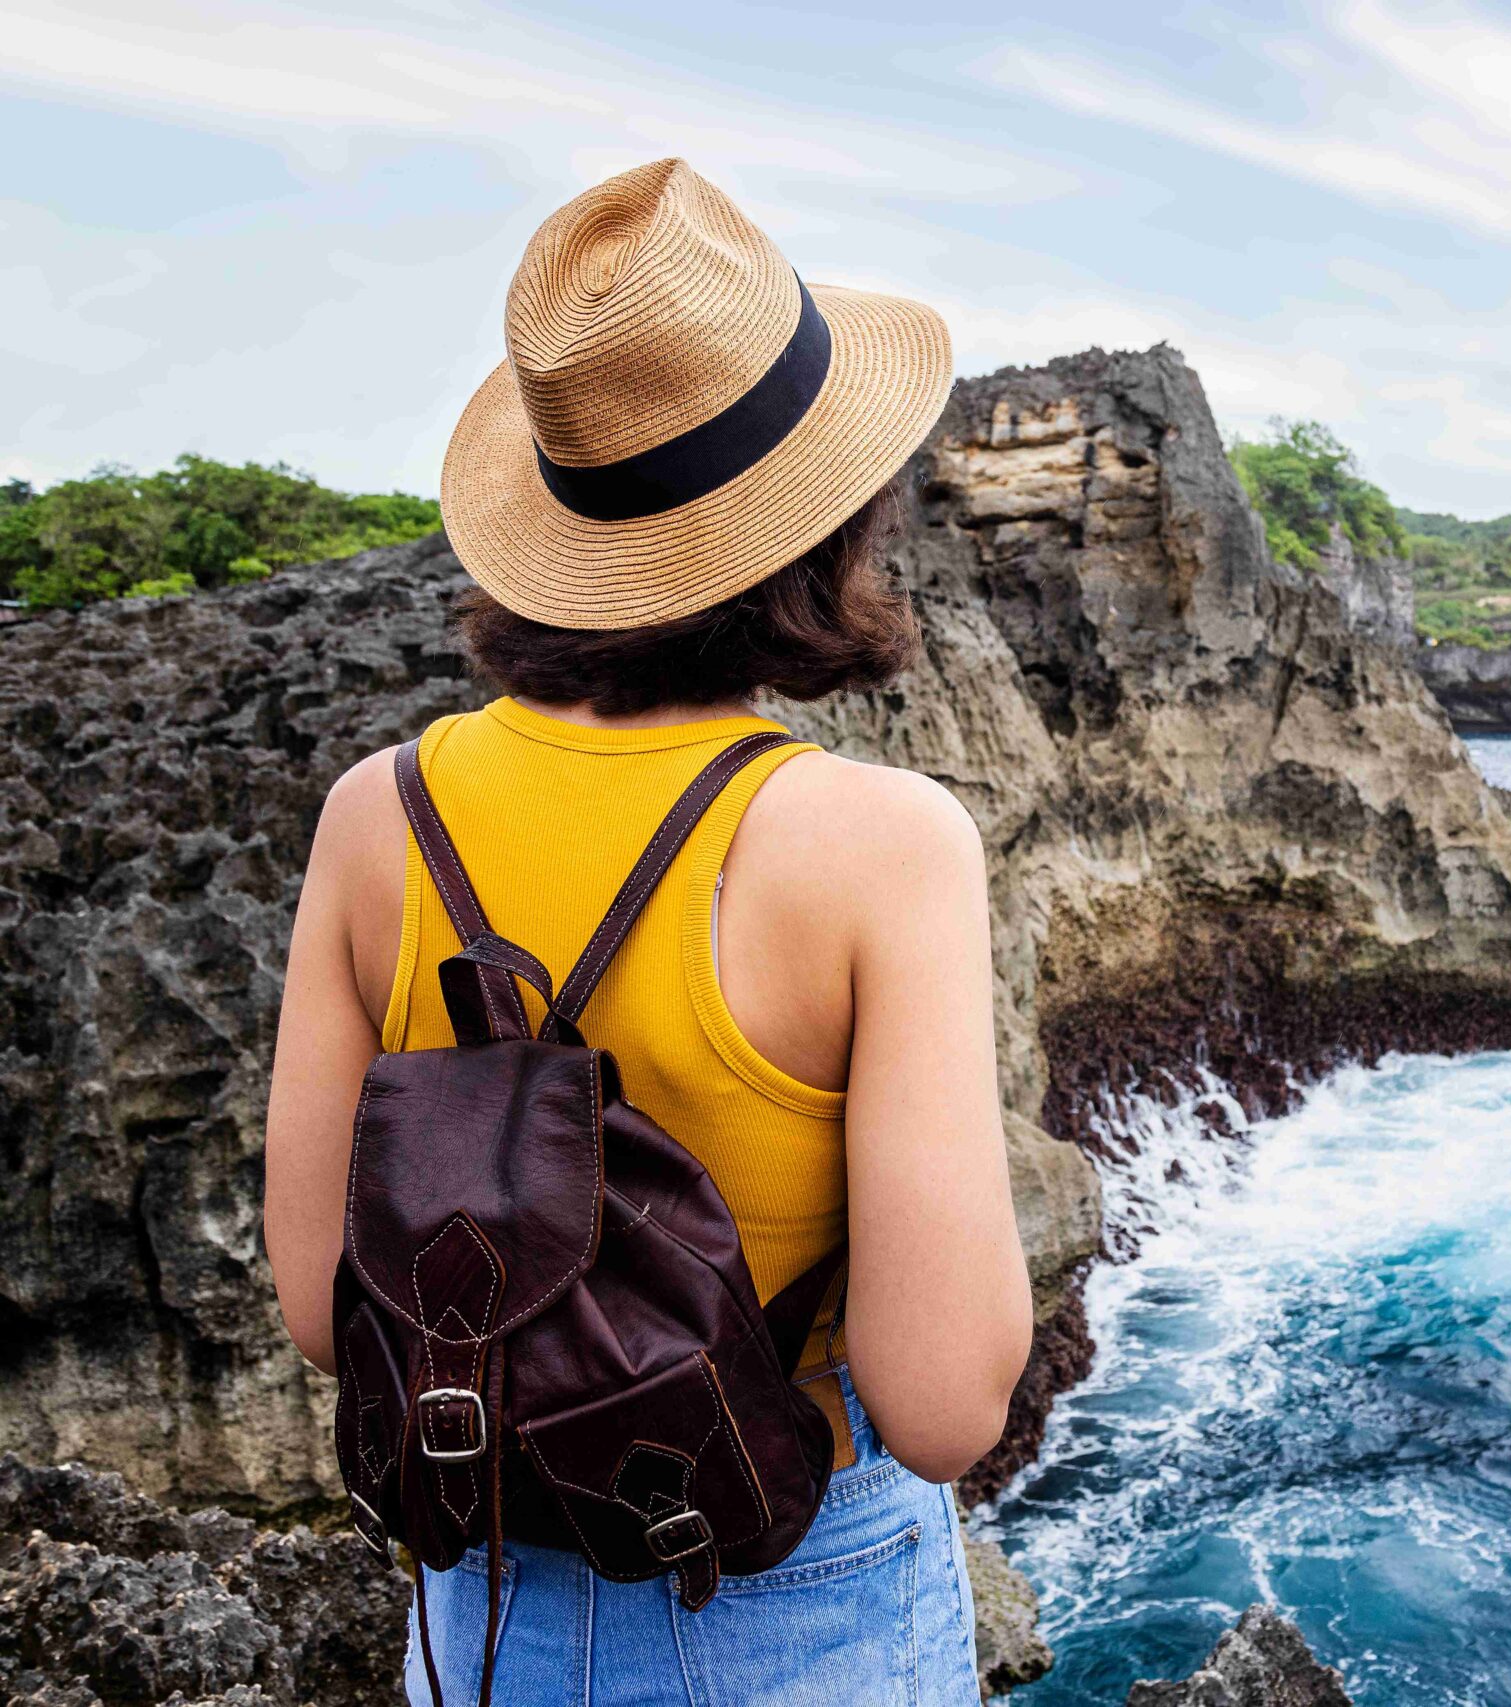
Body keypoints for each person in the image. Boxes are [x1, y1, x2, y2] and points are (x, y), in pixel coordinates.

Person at [262, 158, 1031, 1704]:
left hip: (480, 1600)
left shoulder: (378, 813)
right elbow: (945, 1406)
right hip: (788, 1588)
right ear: (831, 521)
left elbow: (317, 1300)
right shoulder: (882, 845)